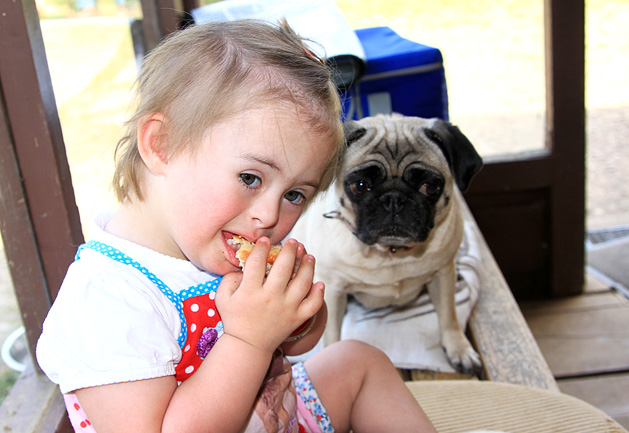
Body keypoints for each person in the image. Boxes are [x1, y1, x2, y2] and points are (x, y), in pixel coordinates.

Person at [36, 19, 438, 433]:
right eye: (250, 178)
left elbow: (295, 344)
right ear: (162, 144)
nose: (269, 216)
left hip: (281, 417)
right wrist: (250, 340)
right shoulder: (106, 301)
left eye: (294, 194)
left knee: (358, 362)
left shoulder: (214, 239)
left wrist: (295, 313)